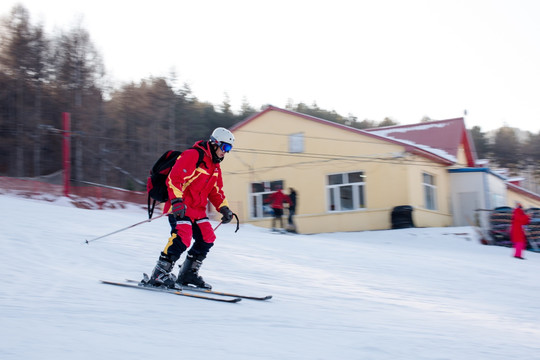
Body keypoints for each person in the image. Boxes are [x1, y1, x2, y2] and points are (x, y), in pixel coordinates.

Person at [142, 127, 235, 289]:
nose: (226, 152)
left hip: (197, 210)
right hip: (180, 207)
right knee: (183, 236)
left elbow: (216, 191)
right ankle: (159, 273)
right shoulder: (193, 155)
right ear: (215, 144)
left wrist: (224, 208)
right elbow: (174, 179)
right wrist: (177, 201)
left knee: (208, 237)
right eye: (225, 147)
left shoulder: (215, 166)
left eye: (229, 149)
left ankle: (187, 273)